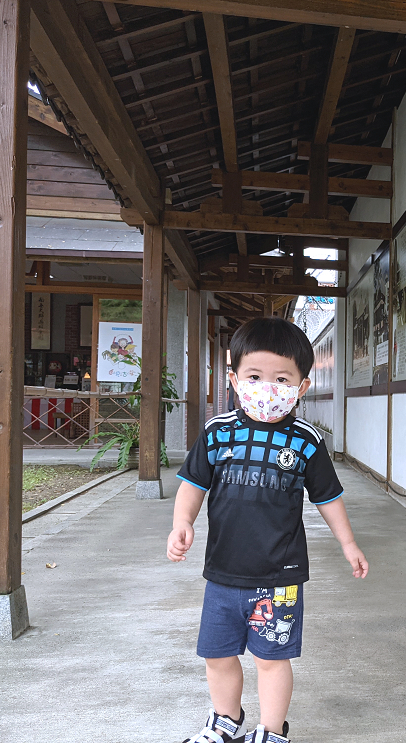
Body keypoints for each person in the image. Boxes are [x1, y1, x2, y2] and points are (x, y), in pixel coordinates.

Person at [168, 317, 369, 743]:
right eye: (255, 376)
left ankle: (272, 732)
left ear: (302, 386)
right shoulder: (217, 433)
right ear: (235, 379)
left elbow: (328, 498)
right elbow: (193, 485)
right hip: (222, 572)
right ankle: (224, 721)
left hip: (279, 578)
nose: (267, 387)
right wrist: (181, 523)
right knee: (217, 655)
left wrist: (348, 543)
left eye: (281, 378)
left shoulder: (306, 441)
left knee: (271, 659)